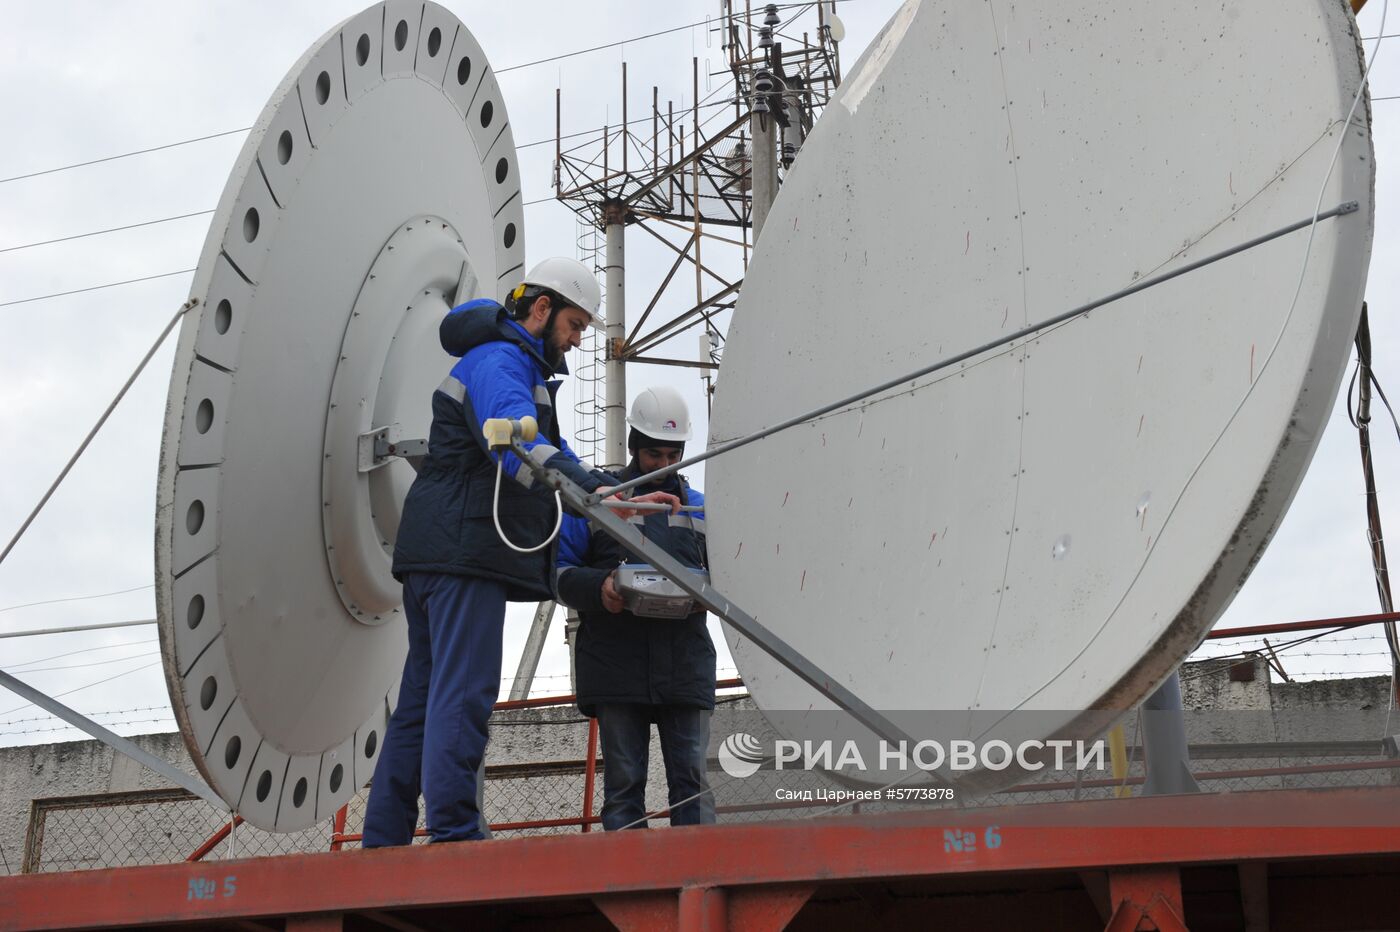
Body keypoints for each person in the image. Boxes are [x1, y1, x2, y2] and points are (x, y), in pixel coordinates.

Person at [363, 258, 675, 846]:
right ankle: (455, 836)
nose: (579, 340)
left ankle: (384, 842)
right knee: (462, 692)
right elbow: (519, 449)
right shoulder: (503, 363)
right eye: (576, 325)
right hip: (463, 557)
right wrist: (593, 494)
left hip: (439, 552)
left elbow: (550, 463)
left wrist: (602, 497)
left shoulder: (498, 360)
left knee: (421, 700)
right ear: (541, 310)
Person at [555, 385, 718, 830]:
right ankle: (632, 890)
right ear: (634, 447)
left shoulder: (703, 508)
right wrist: (600, 586)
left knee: (693, 783)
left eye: (673, 454)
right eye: (654, 455)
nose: (664, 466)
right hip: (616, 665)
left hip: (683, 664)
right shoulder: (594, 501)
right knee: (624, 787)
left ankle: (700, 879)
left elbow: (730, 579)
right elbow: (557, 574)